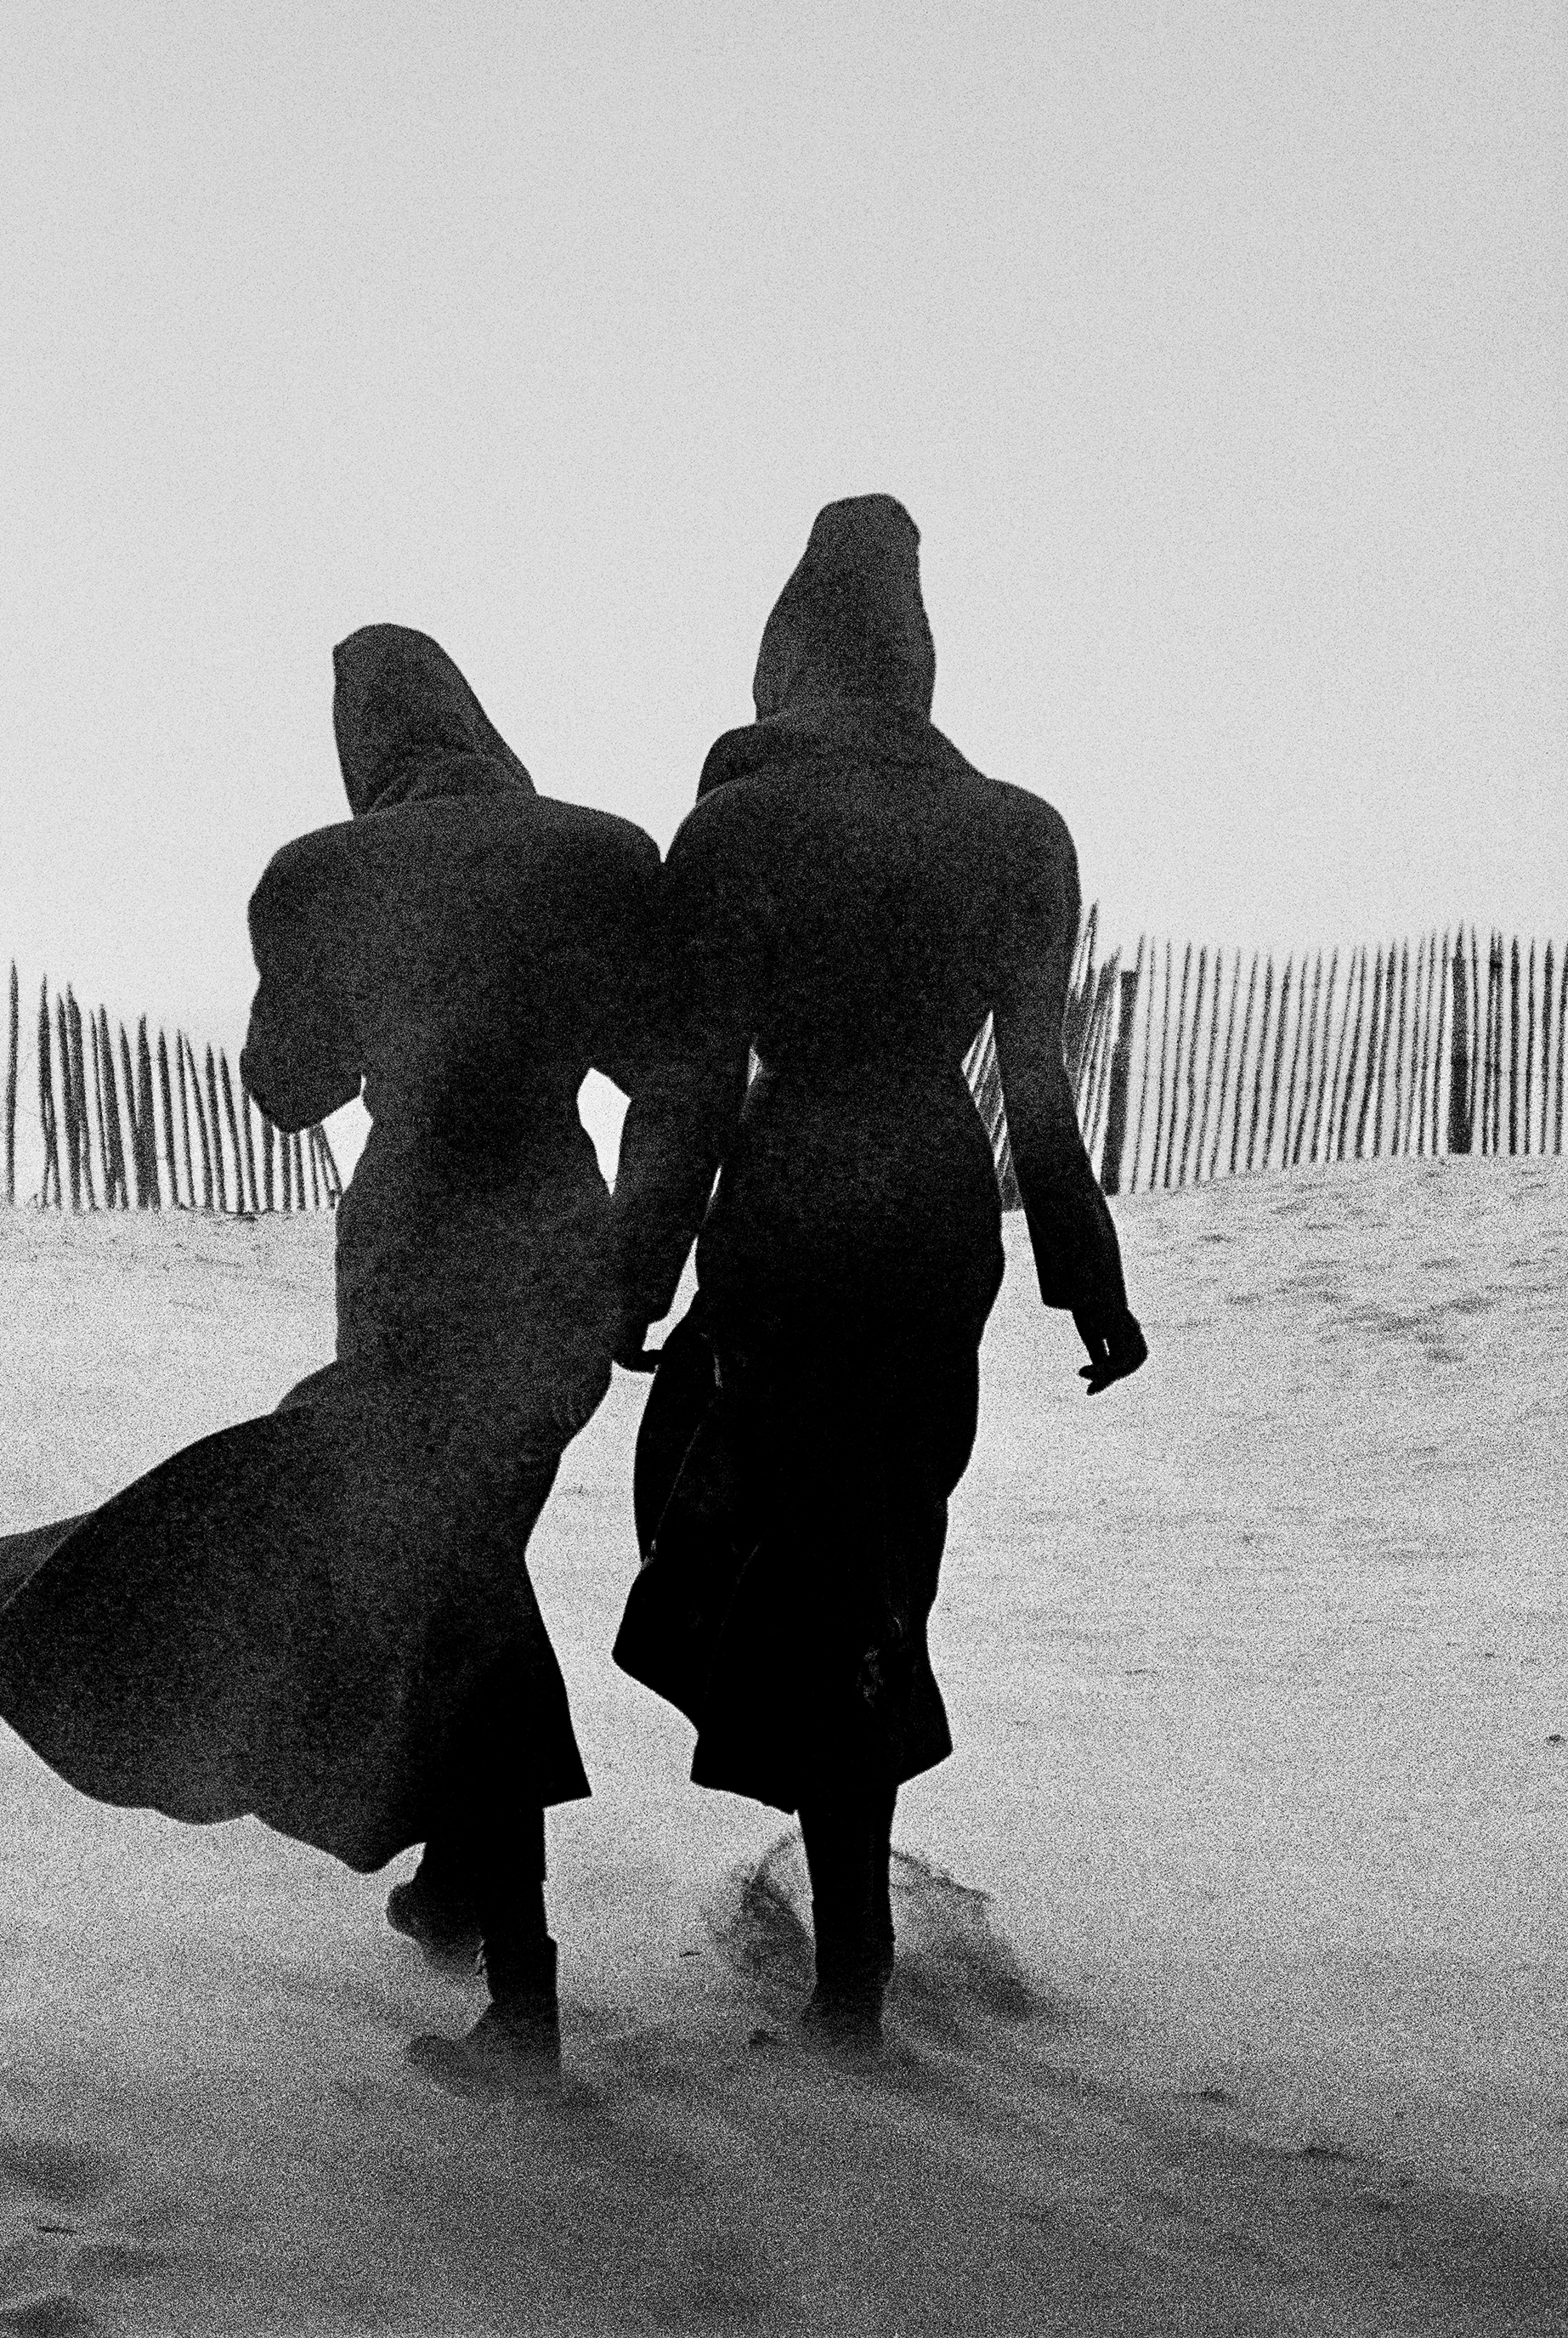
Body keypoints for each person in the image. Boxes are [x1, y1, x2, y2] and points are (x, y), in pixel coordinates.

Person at [0, 626, 658, 2093]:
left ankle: (523, 1999)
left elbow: (280, 1088)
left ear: (356, 743)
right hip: (555, 1251)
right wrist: (638, 1261)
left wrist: (353, 980)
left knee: (460, 1583)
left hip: (418, 1256)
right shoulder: (599, 853)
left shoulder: (317, 873)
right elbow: (667, 1071)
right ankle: (457, 1888)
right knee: (462, 1563)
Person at [609, 495, 1147, 2055]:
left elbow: (693, 1088)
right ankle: (848, 1927)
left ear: (788, 651)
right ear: (917, 656)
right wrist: (1084, 1276)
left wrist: (636, 1269)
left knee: (741, 1518)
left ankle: (845, 1948)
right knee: (877, 1552)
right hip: (927, 1212)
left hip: (787, 1197)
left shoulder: (738, 826)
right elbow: (1036, 1091)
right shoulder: (1015, 830)